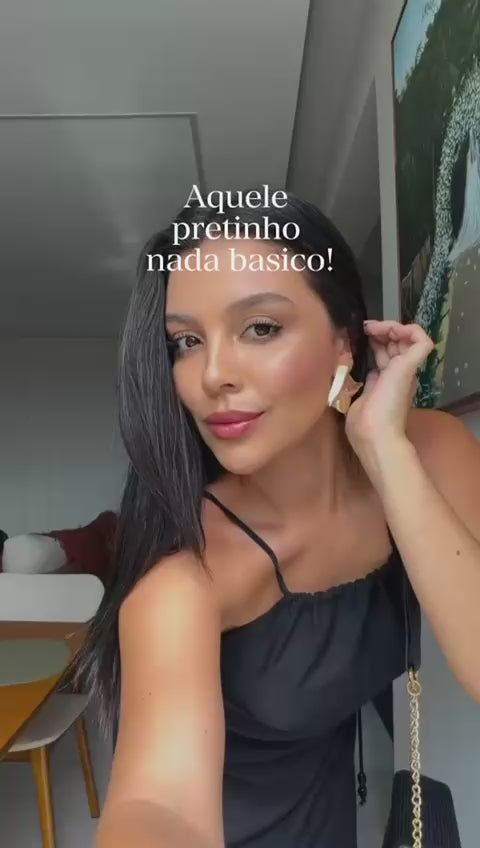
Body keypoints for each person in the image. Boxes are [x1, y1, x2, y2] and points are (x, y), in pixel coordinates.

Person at [75, 190, 480, 848]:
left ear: (345, 340)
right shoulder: (184, 581)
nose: (212, 374)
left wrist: (384, 451)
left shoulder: (429, 450)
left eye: (260, 328)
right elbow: (159, 803)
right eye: (186, 341)